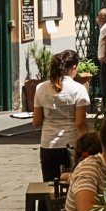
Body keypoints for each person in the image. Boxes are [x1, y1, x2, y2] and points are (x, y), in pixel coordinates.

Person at [32, 50, 90, 180]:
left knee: (49, 185)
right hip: (71, 144)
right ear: (73, 67)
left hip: (48, 144)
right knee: (73, 183)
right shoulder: (78, 89)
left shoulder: (41, 88)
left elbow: (36, 122)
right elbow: (80, 123)